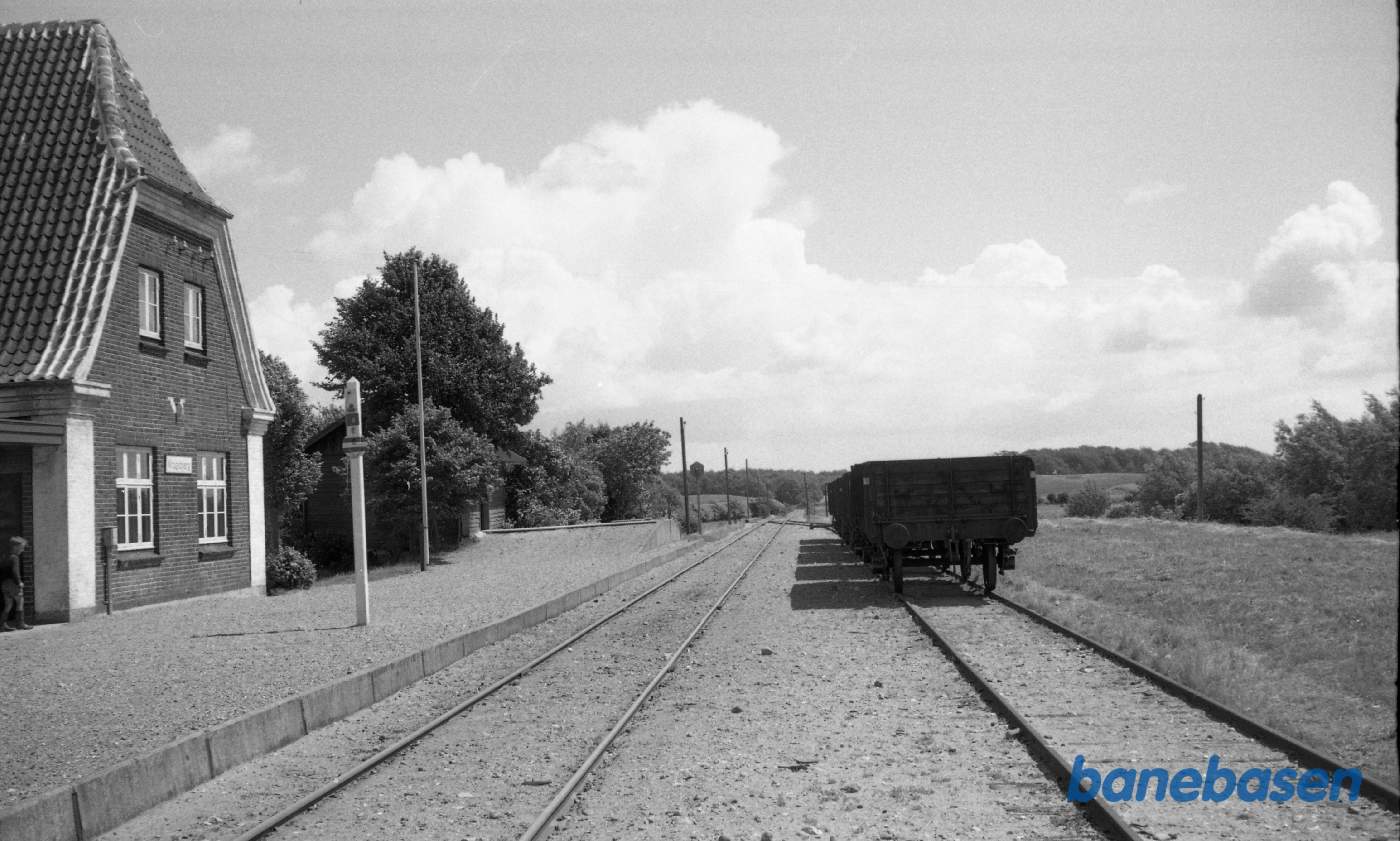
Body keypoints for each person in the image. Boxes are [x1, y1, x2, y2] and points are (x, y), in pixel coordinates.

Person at [1, 535, 31, 631]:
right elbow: (15, 571)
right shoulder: (15, 558)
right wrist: (19, 582)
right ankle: (20, 623)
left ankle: (2, 625)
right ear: (15, 547)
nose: (22, 550)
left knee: (8, 605)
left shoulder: (5, 556)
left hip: (4, 584)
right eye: (21, 548)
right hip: (12, 583)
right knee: (20, 601)